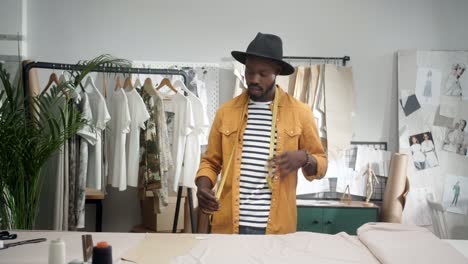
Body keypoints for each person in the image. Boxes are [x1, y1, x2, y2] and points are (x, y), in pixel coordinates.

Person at [195, 33, 328, 235]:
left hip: (276, 230)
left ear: (277, 72)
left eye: (263, 74)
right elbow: (211, 162)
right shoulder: (226, 112)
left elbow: (322, 163)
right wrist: (203, 187)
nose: (254, 79)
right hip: (229, 226)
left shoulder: (300, 113)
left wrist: (305, 158)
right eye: (249, 72)